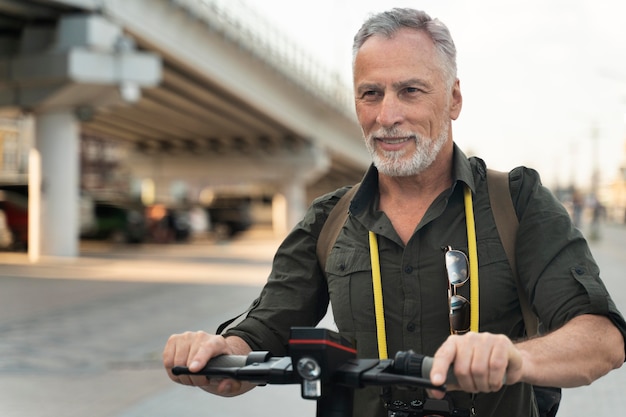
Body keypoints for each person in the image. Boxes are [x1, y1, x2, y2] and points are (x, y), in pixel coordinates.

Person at [163, 8, 626, 417]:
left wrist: (515, 359)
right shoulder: (329, 220)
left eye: (409, 91)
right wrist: (220, 354)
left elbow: (601, 339)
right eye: (370, 94)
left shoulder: (517, 202)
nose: (387, 115)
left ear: (454, 99)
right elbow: (263, 331)